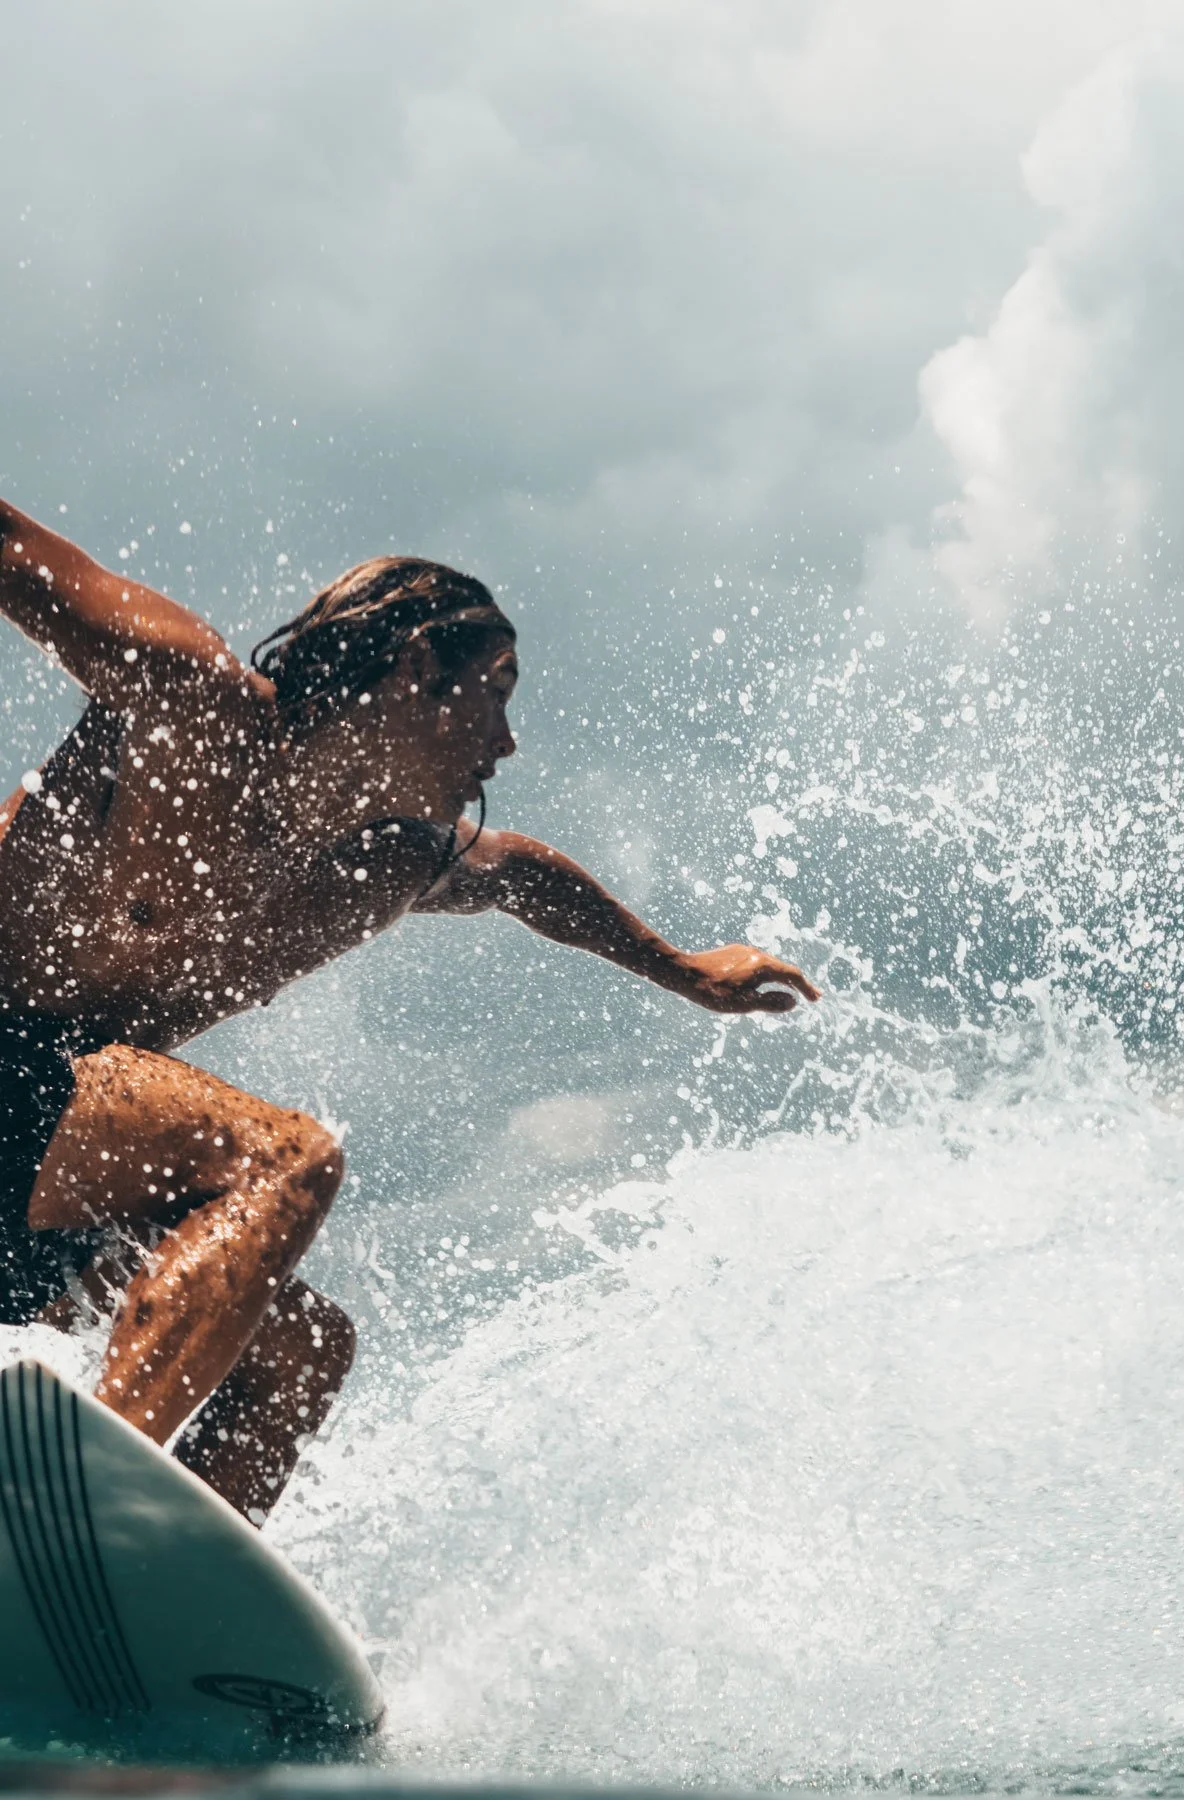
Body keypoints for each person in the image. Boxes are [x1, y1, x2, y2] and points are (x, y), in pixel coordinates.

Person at [0, 498, 820, 1524]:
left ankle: (150, 1607)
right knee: (285, 1160)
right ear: (415, 668)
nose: (509, 742)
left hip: (41, 1162)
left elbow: (521, 877)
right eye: (497, 693)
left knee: (301, 1356)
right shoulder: (195, 710)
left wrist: (686, 971)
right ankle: (80, 1515)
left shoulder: (380, 865)